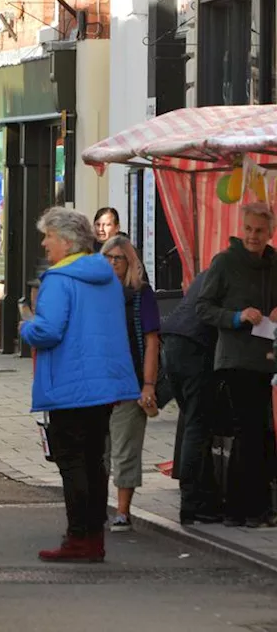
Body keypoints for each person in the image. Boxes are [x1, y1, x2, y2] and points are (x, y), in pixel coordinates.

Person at [20, 207, 139, 563]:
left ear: (67, 241)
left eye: (48, 236)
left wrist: (25, 325)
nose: (44, 243)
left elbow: (49, 330)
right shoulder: (106, 276)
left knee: (72, 462)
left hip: (70, 384)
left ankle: (78, 537)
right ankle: (93, 538)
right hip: (104, 384)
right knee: (93, 461)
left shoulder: (59, 279)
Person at [195, 201, 277, 528]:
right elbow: (203, 307)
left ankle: (256, 507)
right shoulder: (226, 263)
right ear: (241, 229)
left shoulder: (273, 264)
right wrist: (236, 316)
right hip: (236, 359)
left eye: (259, 231)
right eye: (248, 230)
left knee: (262, 434)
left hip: (267, 360)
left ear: (270, 233)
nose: (253, 236)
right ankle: (239, 511)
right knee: (248, 432)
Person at [99, 235, 162, 533]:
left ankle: (123, 511)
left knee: (125, 452)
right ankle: (96, 507)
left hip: (130, 384)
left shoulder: (141, 295)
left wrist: (148, 384)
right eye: (107, 258)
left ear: (130, 262)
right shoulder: (94, 293)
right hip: (97, 385)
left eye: (118, 258)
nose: (112, 263)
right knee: (98, 452)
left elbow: (152, 342)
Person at [160, 274, 220, 524]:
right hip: (195, 346)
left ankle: (202, 498)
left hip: (174, 340)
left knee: (193, 422)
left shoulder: (212, 271)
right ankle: (193, 502)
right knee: (198, 425)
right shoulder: (239, 273)